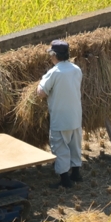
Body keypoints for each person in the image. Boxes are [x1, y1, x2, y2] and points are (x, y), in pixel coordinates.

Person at [37, 39, 83, 189]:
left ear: (54, 55)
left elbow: (41, 93)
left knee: (60, 147)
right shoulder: (76, 69)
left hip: (60, 118)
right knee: (75, 145)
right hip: (76, 115)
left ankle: (65, 181)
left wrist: (41, 82)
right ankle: (76, 174)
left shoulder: (54, 72)